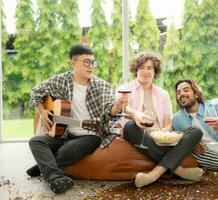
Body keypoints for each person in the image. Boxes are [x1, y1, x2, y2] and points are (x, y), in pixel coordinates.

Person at [26, 44, 127, 193]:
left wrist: (116, 108)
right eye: (86, 61)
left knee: (65, 152)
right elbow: (36, 91)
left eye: (93, 62)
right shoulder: (62, 80)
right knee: (36, 141)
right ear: (73, 63)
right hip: (64, 132)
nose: (91, 66)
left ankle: (48, 170)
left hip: (90, 135)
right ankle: (55, 176)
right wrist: (42, 111)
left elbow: (109, 109)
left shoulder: (101, 86)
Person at [116, 52, 204, 188]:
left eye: (150, 68)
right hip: (139, 133)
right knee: (130, 126)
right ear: (136, 69)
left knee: (196, 131)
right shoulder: (125, 89)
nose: (146, 71)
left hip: (160, 136)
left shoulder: (162, 94)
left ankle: (153, 175)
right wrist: (135, 114)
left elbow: (168, 122)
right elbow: (120, 108)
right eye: (142, 67)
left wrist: (164, 133)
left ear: (155, 72)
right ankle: (180, 171)